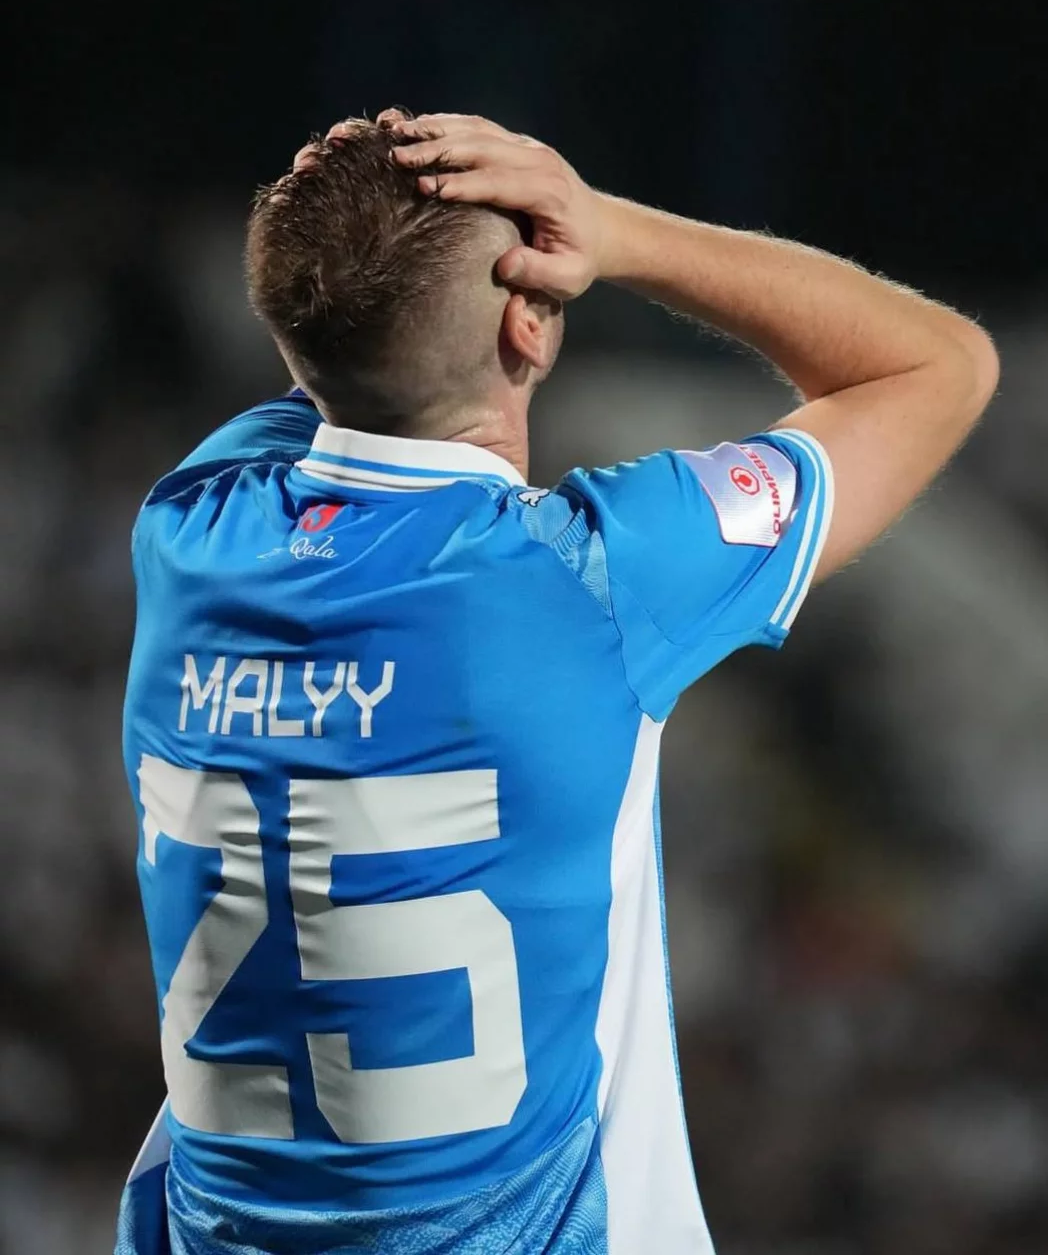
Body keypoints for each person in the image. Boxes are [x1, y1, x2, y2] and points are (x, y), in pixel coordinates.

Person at [115, 109, 998, 1255]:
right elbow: (938, 363)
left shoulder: (191, 533)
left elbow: (350, 352)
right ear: (529, 320)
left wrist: (340, 236)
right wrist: (617, 230)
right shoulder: (591, 582)